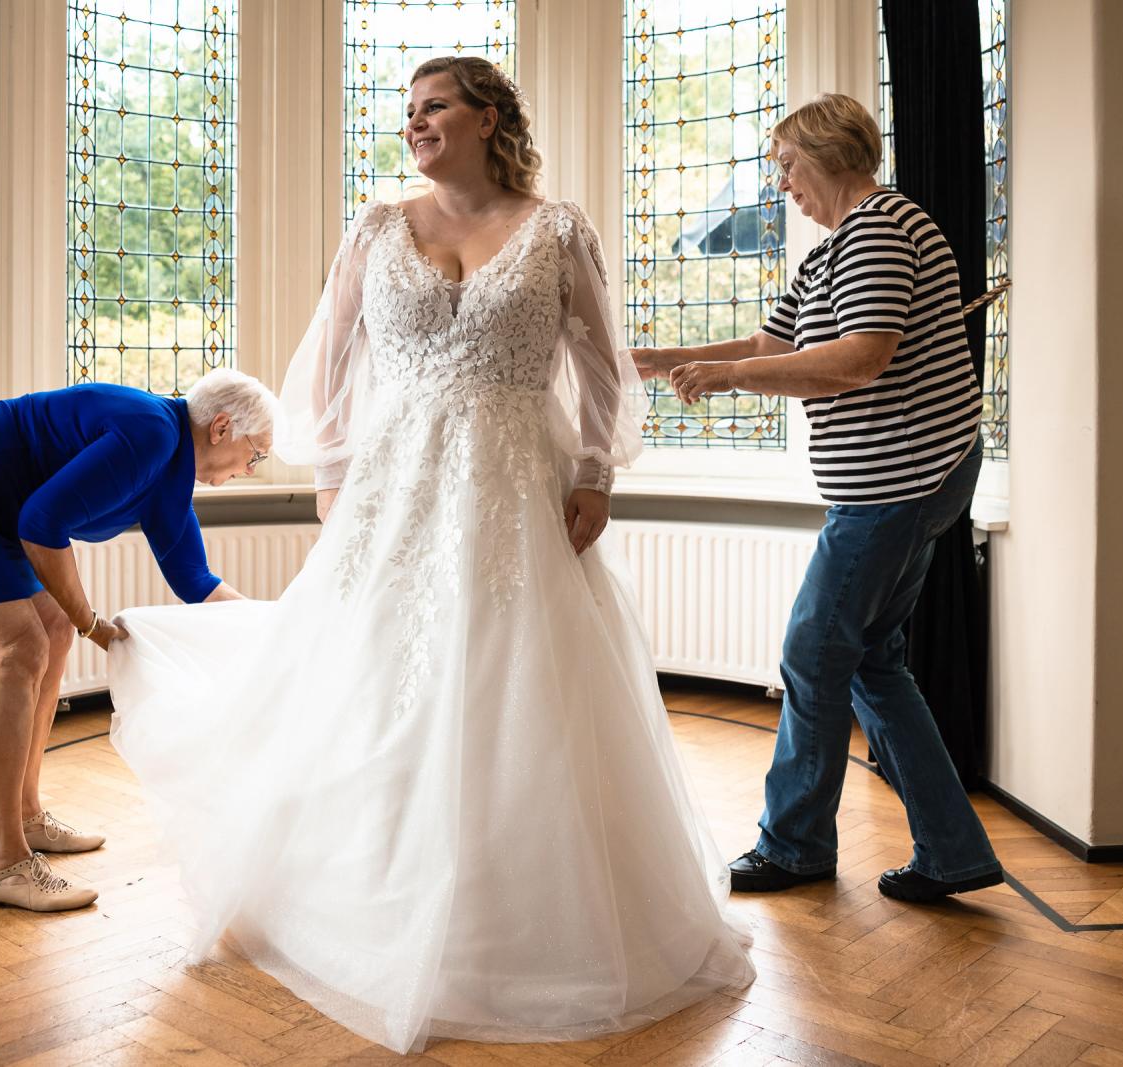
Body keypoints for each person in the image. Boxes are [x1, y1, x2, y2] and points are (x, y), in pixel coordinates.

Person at [107, 56, 753, 1054]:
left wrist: (594, 474)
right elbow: (330, 361)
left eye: (434, 107)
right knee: (370, 686)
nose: (415, 124)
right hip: (391, 494)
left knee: (511, 692)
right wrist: (332, 476)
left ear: (488, 115)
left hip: (513, 491)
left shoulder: (557, 228)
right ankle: (360, 897)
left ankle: (515, 921)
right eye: (407, 111)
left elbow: (598, 367)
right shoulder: (375, 226)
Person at [633, 93, 1004, 903]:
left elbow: (859, 359)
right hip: (901, 482)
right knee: (870, 658)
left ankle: (795, 845)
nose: (782, 183)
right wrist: (665, 358)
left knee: (812, 650)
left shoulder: (879, 230)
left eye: (788, 165)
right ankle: (952, 849)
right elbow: (776, 345)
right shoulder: (833, 249)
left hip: (899, 483)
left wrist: (727, 377)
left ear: (830, 152)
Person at [0, 370, 278, 912]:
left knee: (49, 631)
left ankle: (24, 816)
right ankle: (1, 862)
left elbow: (196, 580)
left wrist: (281, 628)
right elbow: (42, 521)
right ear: (220, 427)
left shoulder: (168, 465)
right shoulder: (151, 433)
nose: (250, 469)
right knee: (16, 647)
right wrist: (90, 621)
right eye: (255, 455)